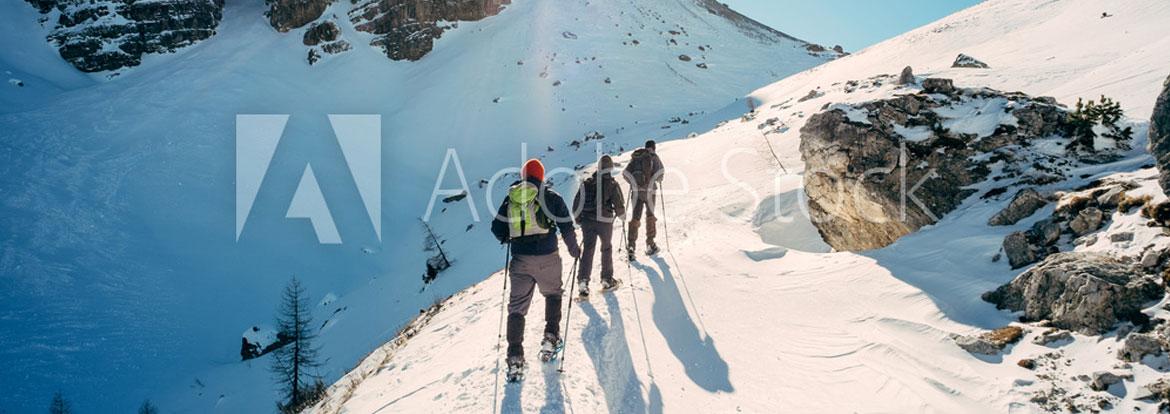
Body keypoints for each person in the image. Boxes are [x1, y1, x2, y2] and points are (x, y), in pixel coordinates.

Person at [490, 159, 580, 379]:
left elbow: (496, 228)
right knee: (552, 295)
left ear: (523, 176)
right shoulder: (551, 196)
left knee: (517, 308)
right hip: (548, 257)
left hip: (520, 260)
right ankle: (550, 339)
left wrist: (509, 238)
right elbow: (566, 225)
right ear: (541, 176)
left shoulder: (511, 198)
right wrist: (574, 249)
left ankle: (514, 359)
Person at [573, 155, 626, 299]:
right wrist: (622, 215)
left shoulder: (587, 183)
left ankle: (583, 282)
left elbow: (577, 202)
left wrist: (578, 219)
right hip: (604, 221)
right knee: (606, 248)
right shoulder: (612, 183)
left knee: (588, 250)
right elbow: (619, 204)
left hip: (587, 221)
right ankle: (606, 279)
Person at [622, 140, 665, 259]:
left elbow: (625, 173)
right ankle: (650, 244)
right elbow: (660, 175)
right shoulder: (654, 157)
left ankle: (631, 246)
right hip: (650, 193)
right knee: (650, 216)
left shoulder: (636, 157)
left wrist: (634, 184)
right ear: (654, 148)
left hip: (636, 193)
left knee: (635, 218)